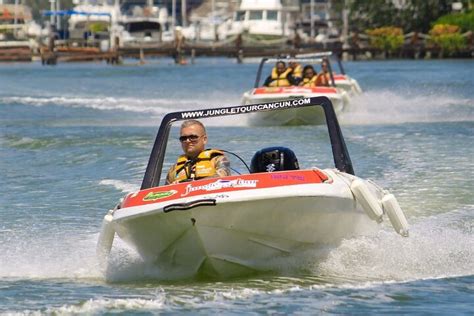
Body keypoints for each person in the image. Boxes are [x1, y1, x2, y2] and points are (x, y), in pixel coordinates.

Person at [165, 120, 231, 184]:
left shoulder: (218, 160)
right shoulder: (174, 169)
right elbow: (165, 192)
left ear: (204, 140)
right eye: (183, 138)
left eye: (193, 137)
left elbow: (223, 178)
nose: (188, 141)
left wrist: (191, 183)